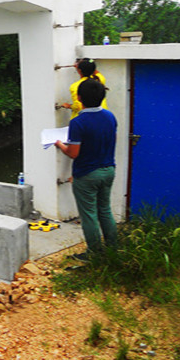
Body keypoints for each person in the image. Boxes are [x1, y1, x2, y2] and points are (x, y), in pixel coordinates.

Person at [54, 78, 118, 258]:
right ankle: (113, 248)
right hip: (108, 170)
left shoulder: (79, 122)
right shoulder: (110, 116)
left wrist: (60, 144)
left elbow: (74, 153)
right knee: (105, 210)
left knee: (89, 214)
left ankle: (94, 253)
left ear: (79, 97)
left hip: (87, 174)